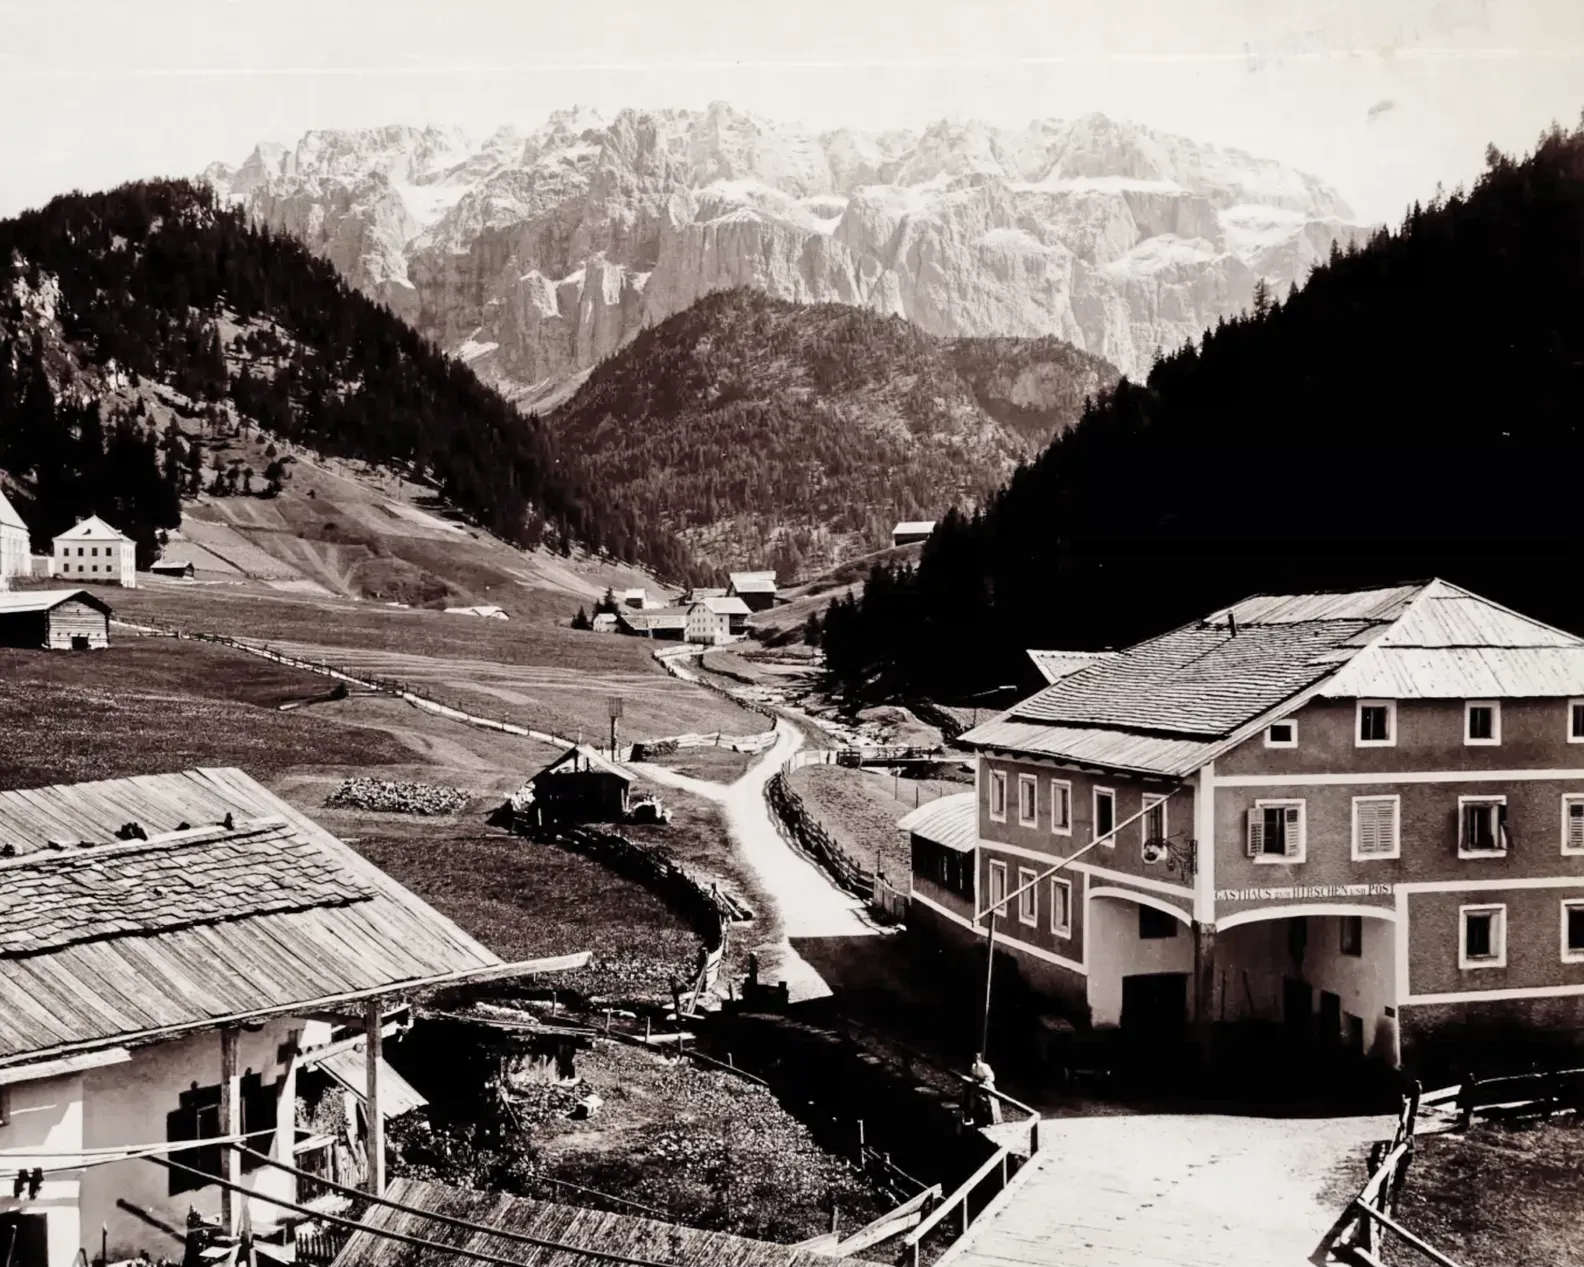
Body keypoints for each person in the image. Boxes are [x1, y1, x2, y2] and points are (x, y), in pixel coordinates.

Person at [969, 1051, 1003, 1125]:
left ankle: (994, 1120)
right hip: (979, 1086)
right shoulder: (973, 1067)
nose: (976, 1059)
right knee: (979, 1103)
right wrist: (975, 1080)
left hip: (987, 1086)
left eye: (977, 1058)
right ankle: (981, 1120)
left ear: (980, 1058)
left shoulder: (984, 1066)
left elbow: (992, 1077)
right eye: (975, 1057)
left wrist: (985, 1081)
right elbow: (973, 1076)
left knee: (990, 1104)